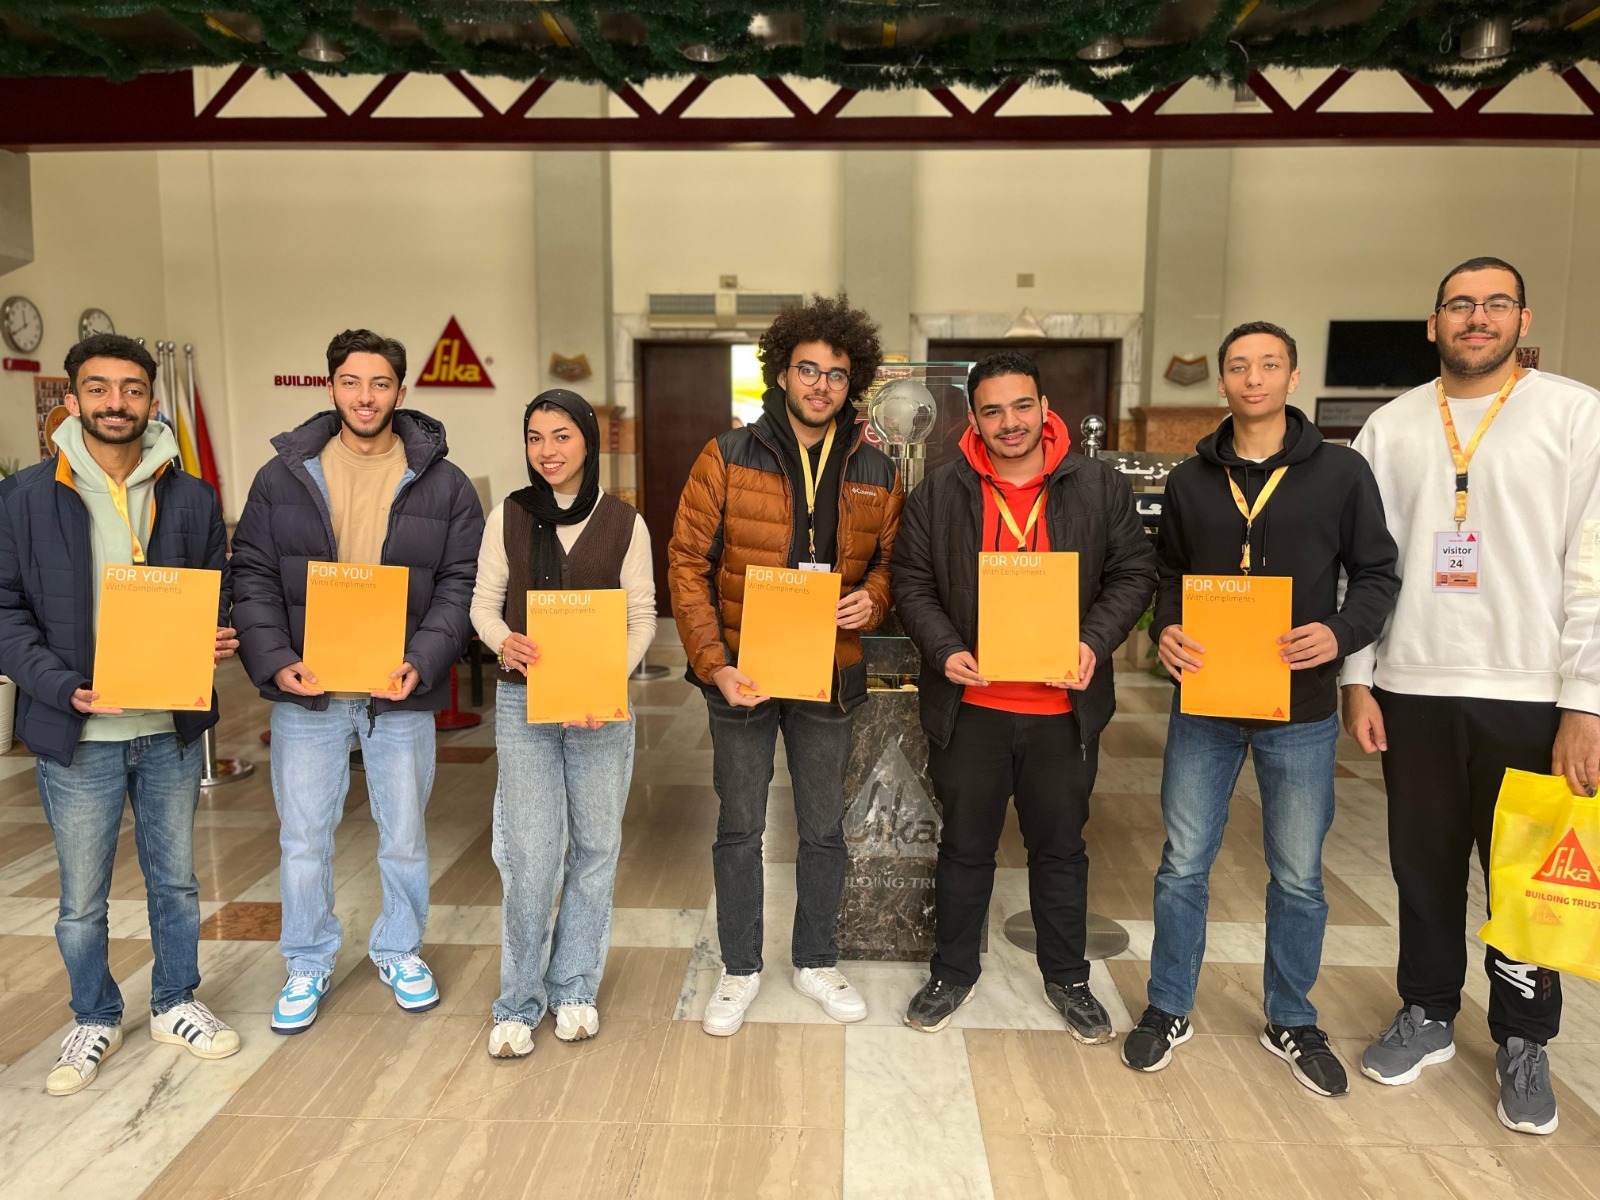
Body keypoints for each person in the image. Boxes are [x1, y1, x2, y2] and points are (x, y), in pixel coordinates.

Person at [1340, 257, 1600, 1135]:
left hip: (1531, 690)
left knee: (1526, 878)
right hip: (1412, 683)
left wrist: (1586, 701)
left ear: (1523, 319)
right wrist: (1358, 677)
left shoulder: (1574, 414)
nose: (1476, 317)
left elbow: (1595, 567)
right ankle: (1428, 1012)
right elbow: (1364, 569)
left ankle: (1524, 1037)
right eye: (1460, 304)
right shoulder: (1390, 426)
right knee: (1422, 867)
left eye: (1495, 304)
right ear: (1433, 323)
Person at [1122, 322, 1399, 1093]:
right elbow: (1169, 572)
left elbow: (1377, 574)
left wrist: (1340, 633)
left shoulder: (1341, 473)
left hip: (1299, 707)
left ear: (1291, 376)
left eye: (1269, 365)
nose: (1253, 378)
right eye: (1239, 367)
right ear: (1221, 382)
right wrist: (1167, 626)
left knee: (1298, 874)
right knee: (1182, 865)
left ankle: (1291, 1017)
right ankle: (1169, 1005)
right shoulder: (1191, 480)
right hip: (1206, 702)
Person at [0, 334, 241, 1095]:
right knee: (81, 900)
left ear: (151, 400)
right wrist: (60, 686)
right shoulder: (25, 498)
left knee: (177, 883)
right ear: (72, 399)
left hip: (168, 727)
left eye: (132, 389)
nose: (116, 402)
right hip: (79, 730)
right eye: (99, 388)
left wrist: (217, 632)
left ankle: (175, 1002)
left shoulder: (191, 496)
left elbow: (217, 589)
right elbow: (5, 612)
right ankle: (95, 1016)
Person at [892, 351, 1156, 1037]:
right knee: (964, 848)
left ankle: (1068, 979)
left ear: (1044, 408)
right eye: (993, 411)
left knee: (1060, 850)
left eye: (1021, 406)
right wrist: (944, 649)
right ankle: (952, 974)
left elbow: (1134, 573)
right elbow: (911, 582)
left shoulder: (1098, 486)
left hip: (1063, 712)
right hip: (971, 710)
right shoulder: (941, 492)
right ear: (973, 418)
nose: (1009, 422)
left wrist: (1093, 642)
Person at [232, 328, 483, 1034]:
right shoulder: (283, 476)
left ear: (401, 391)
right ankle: (307, 961)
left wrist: (423, 660)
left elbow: (460, 583)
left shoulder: (445, 483)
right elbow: (251, 574)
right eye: (351, 381)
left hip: (397, 692)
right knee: (304, 840)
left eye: (379, 383)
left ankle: (399, 949)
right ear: (331, 386)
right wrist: (276, 659)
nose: (365, 396)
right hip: (308, 691)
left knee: (403, 836)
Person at [668, 293, 904, 1036]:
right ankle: (740, 968)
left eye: (836, 374)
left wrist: (873, 598)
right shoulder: (726, 455)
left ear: (852, 382)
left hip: (826, 673)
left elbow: (893, 564)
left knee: (824, 827)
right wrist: (714, 666)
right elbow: (686, 565)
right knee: (740, 826)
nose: (820, 385)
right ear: (781, 373)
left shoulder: (875, 467)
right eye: (808, 369)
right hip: (743, 674)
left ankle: (815, 960)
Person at [470, 390, 655, 1058]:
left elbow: (642, 616)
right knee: (531, 854)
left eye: (561, 436)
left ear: (588, 442)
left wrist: (606, 680)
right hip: (525, 705)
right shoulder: (509, 516)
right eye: (535, 437)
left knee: (596, 848)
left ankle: (574, 986)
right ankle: (518, 1000)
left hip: (600, 709)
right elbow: (483, 605)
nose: (546, 451)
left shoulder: (625, 523)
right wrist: (503, 641)